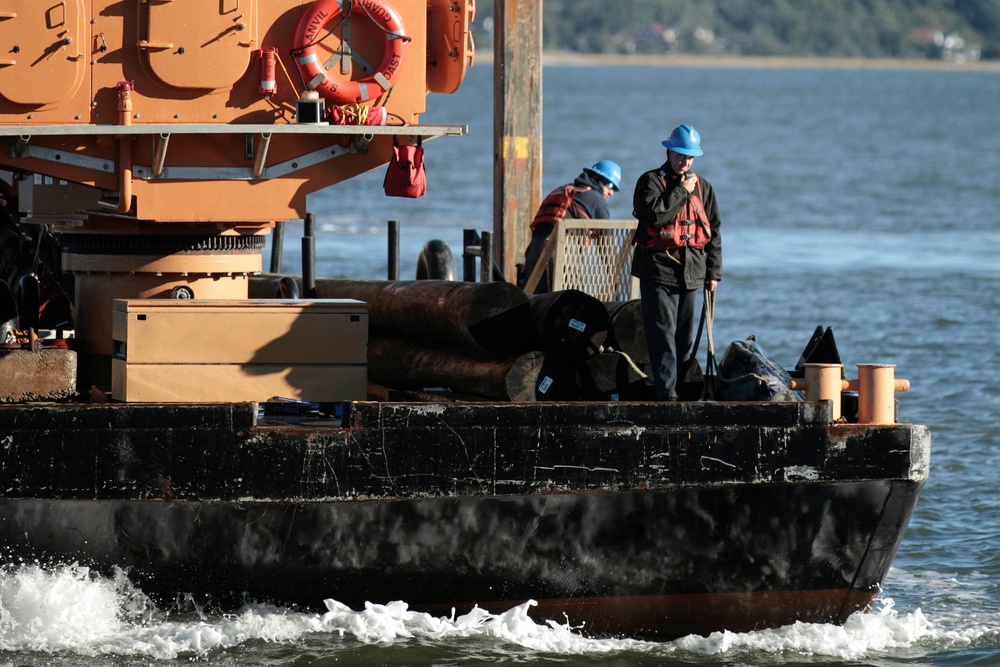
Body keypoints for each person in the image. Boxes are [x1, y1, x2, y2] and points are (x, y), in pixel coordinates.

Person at [631, 125, 722, 401]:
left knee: (684, 341)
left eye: (690, 157)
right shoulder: (650, 182)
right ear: (669, 152)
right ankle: (667, 397)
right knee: (663, 337)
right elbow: (654, 217)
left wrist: (714, 272)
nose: (685, 161)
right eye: (681, 155)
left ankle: (681, 393)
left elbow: (714, 230)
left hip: (692, 274)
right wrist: (681, 191)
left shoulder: (704, 187)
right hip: (658, 272)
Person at [520, 159, 622, 293]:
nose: (611, 192)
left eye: (614, 188)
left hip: (535, 248)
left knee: (537, 301)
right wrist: (614, 276)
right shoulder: (598, 200)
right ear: (596, 178)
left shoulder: (563, 191)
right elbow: (606, 241)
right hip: (564, 248)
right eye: (609, 184)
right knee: (571, 300)